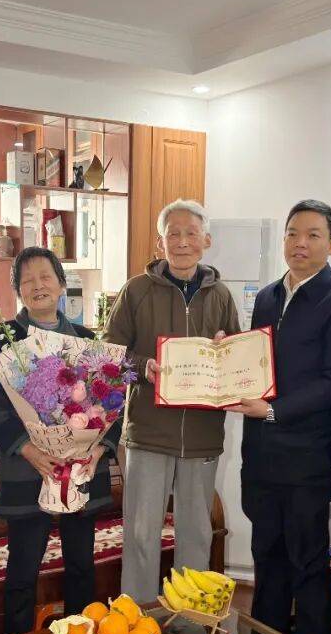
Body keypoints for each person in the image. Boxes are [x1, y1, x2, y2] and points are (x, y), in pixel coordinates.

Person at [229, 199, 331, 634]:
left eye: (312, 235)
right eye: (292, 233)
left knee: (308, 564)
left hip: (307, 456)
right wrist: (226, 360)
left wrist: (273, 410)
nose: (300, 244)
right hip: (261, 453)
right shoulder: (267, 297)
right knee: (267, 553)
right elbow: (256, 366)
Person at [0, 246, 122, 634]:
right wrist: (29, 449)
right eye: (27, 280)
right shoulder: (1, 340)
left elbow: (113, 404)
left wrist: (97, 450)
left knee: (81, 566)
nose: (37, 285)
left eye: (45, 277)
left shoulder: (88, 341)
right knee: (23, 570)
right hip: (28, 469)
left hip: (82, 470)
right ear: (18, 291)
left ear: (60, 284)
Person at [103, 198, 241, 603]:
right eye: (173, 234)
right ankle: (137, 620)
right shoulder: (136, 291)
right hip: (148, 433)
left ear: (206, 240)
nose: (182, 242)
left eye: (191, 233)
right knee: (141, 534)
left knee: (196, 535)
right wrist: (143, 366)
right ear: (159, 242)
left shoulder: (221, 296)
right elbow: (109, 356)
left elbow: (235, 358)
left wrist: (225, 350)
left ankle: (190, 626)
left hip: (202, 434)